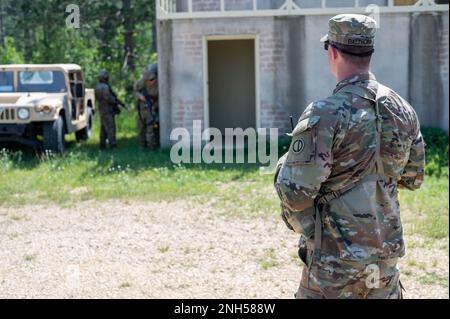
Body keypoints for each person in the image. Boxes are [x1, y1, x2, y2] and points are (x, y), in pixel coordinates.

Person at [274, 14, 425, 299]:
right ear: (369, 52)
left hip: (334, 265)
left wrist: (284, 167)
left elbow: (294, 192)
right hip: (384, 262)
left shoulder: (324, 113)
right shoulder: (404, 110)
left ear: (332, 51)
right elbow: (413, 178)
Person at [134, 63, 159, 150]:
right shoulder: (142, 82)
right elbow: (135, 91)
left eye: (153, 79)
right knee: (141, 128)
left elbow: (161, 98)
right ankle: (142, 146)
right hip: (142, 107)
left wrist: (155, 105)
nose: (152, 82)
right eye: (150, 80)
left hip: (152, 107)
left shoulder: (158, 85)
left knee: (151, 128)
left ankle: (151, 146)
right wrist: (140, 96)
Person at [95, 69, 119, 149]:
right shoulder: (104, 87)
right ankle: (113, 145)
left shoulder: (98, 86)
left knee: (103, 128)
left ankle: (102, 144)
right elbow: (108, 98)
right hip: (107, 110)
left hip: (102, 109)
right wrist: (115, 101)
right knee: (110, 127)